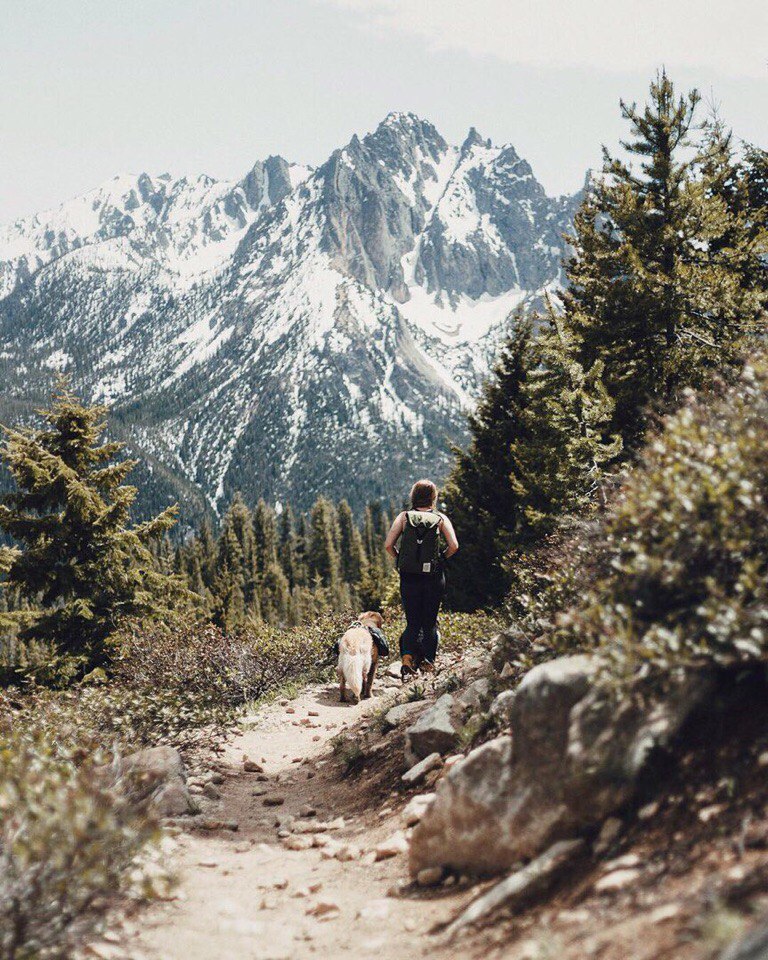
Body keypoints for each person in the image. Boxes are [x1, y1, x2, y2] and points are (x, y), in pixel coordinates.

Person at [384, 479, 459, 679]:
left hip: (409, 577)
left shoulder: (404, 517)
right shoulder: (441, 518)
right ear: (433, 498)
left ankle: (407, 658)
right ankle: (428, 661)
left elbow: (388, 545)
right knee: (429, 622)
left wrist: (402, 559)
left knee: (412, 622)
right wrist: (440, 559)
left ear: (413, 496)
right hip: (433, 577)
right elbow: (454, 546)